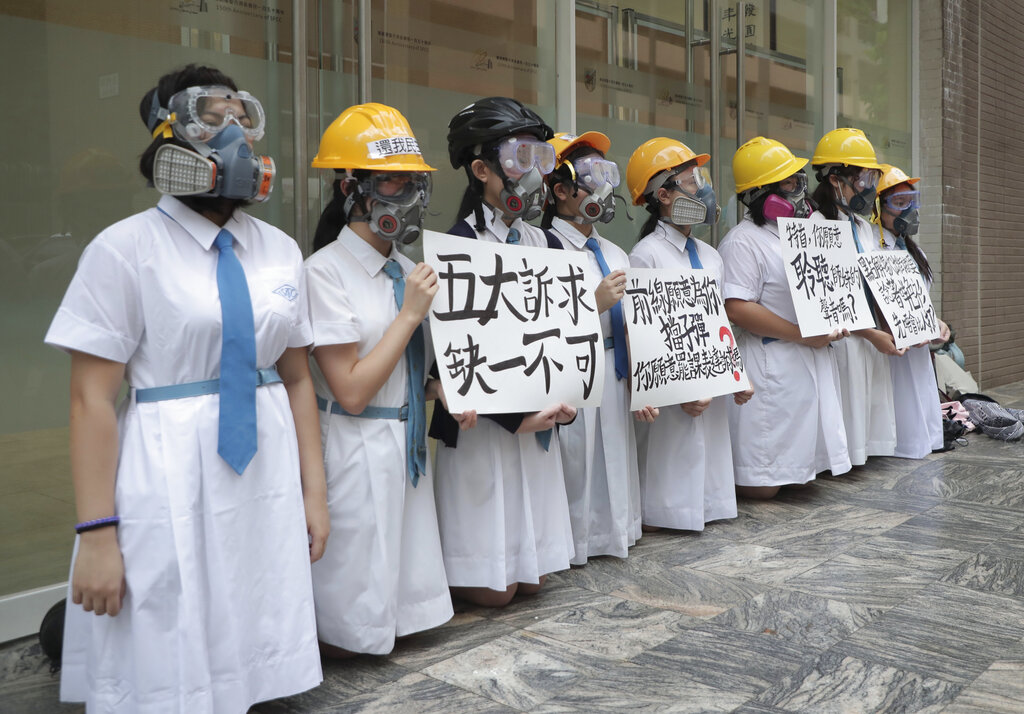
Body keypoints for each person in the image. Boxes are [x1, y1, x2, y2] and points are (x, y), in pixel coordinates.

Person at [44, 64, 327, 712]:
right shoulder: (123, 250)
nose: (232, 134)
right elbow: (91, 400)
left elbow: (296, 378)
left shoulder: (281, 250)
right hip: (165, 467)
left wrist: (316, 494)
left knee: (252, 600)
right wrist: (95, 535)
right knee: (170, 628)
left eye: (242, 117)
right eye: (211, 116)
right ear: (167, 136)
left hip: (265, 469)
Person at [305, 104, 462, 656]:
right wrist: (410, 315)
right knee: (351, 625)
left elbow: (404, 369)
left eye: (414, 181)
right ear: (353, 187)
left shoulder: (406, 266)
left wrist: (444, 392)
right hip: (354, 449)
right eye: (394, 181)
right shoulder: (324, 272)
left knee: (402, 613)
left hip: (404, 444)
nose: (411, 195)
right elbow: (349, 389)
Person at [431, 97, 576, 607]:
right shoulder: (455, 247)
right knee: (495, 589)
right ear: (481, 169)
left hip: (540, 423)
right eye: (521, 157)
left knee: (533, 580)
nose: (535, 172)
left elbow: (564, 336)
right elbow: (447, 361)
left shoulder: (547, 244)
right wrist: (516, 417)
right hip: (485, 430)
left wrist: (567, 398)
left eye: (543, 157)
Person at [719, 136, 852, 498]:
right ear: (762, 193)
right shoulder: (742, 240)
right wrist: (801, 334)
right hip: (770, 358)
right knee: (763, 487)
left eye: (799, 180)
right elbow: (736, 307)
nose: (800, 191)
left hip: (806, 358)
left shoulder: (805, 233)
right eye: (790, 183)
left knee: (801, 473)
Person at [626, 138, 749, 524]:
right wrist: (678, 394)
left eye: (700, 179)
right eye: (692, 181)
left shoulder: (711, 256)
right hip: (672, 396)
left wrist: (735, 375)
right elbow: (643, 335)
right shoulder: (645, 254)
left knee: (708, 459)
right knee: (673, 465)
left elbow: (719, 326)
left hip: (709, 388)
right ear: (663, 194)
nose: (704, 190)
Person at [540, 131, 646, 563]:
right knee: (576, 462)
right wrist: (592, 303)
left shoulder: (616, 252)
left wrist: (646, 383)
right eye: (590, 175)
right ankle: (570, 544)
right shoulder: (543, 248)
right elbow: (536, 322)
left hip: (613, 366)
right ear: (559, 189)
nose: (602, 186)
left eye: (607, 172)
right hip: (568, 368)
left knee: (614, 457)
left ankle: (613, 532)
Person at [810, 128, 899, 465]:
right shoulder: (816, 225)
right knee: (845, 409)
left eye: (871, 176)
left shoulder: (863, 225)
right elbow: (828, 297)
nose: (869, 187)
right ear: (835, 179)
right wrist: (870, 332)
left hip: (871, 334)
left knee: (867, 415)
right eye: (862, 178)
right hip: (843, 338)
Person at [872, 164, 949, 458]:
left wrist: (935, 323)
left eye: (912, 201)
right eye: (899, 203)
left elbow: (920, 302)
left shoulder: (916, 251)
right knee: (900, 415)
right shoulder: (873, 250)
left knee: (920, 416)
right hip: (891, 351)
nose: (909, 210)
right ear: (879, 208)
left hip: (918, 352)